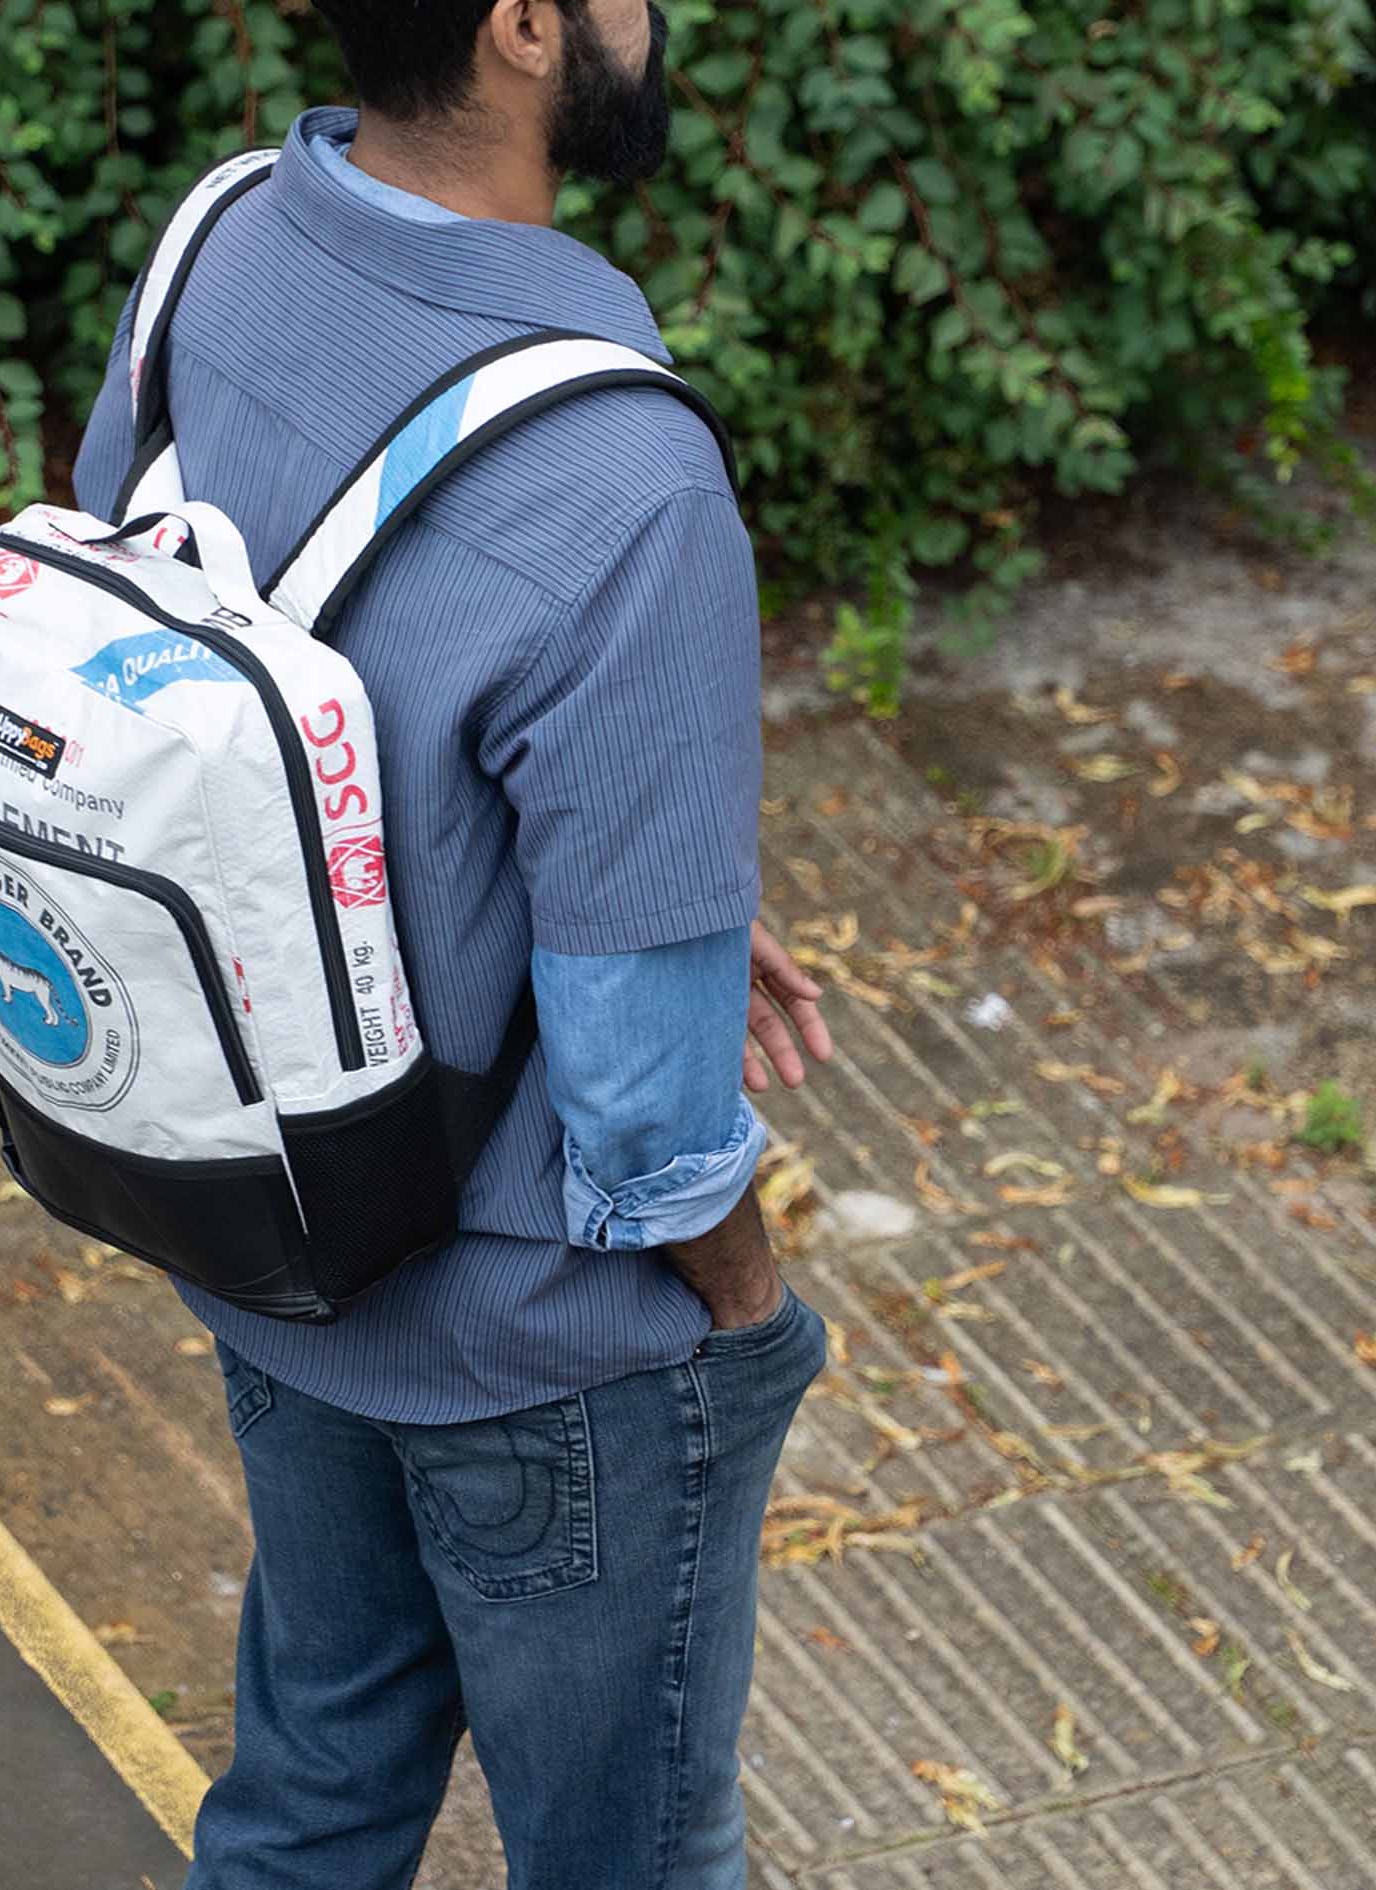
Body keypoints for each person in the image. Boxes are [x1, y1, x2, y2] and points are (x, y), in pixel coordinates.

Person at [74, 3, 835, 1883]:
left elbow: (160, 677)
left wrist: (625, 890)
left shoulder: (226, 238)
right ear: (518, 28)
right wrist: (743, 1308)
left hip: (274, 1232)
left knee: (312, 1799)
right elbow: (649, 1124)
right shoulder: (622, 478)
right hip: (545, 1351)